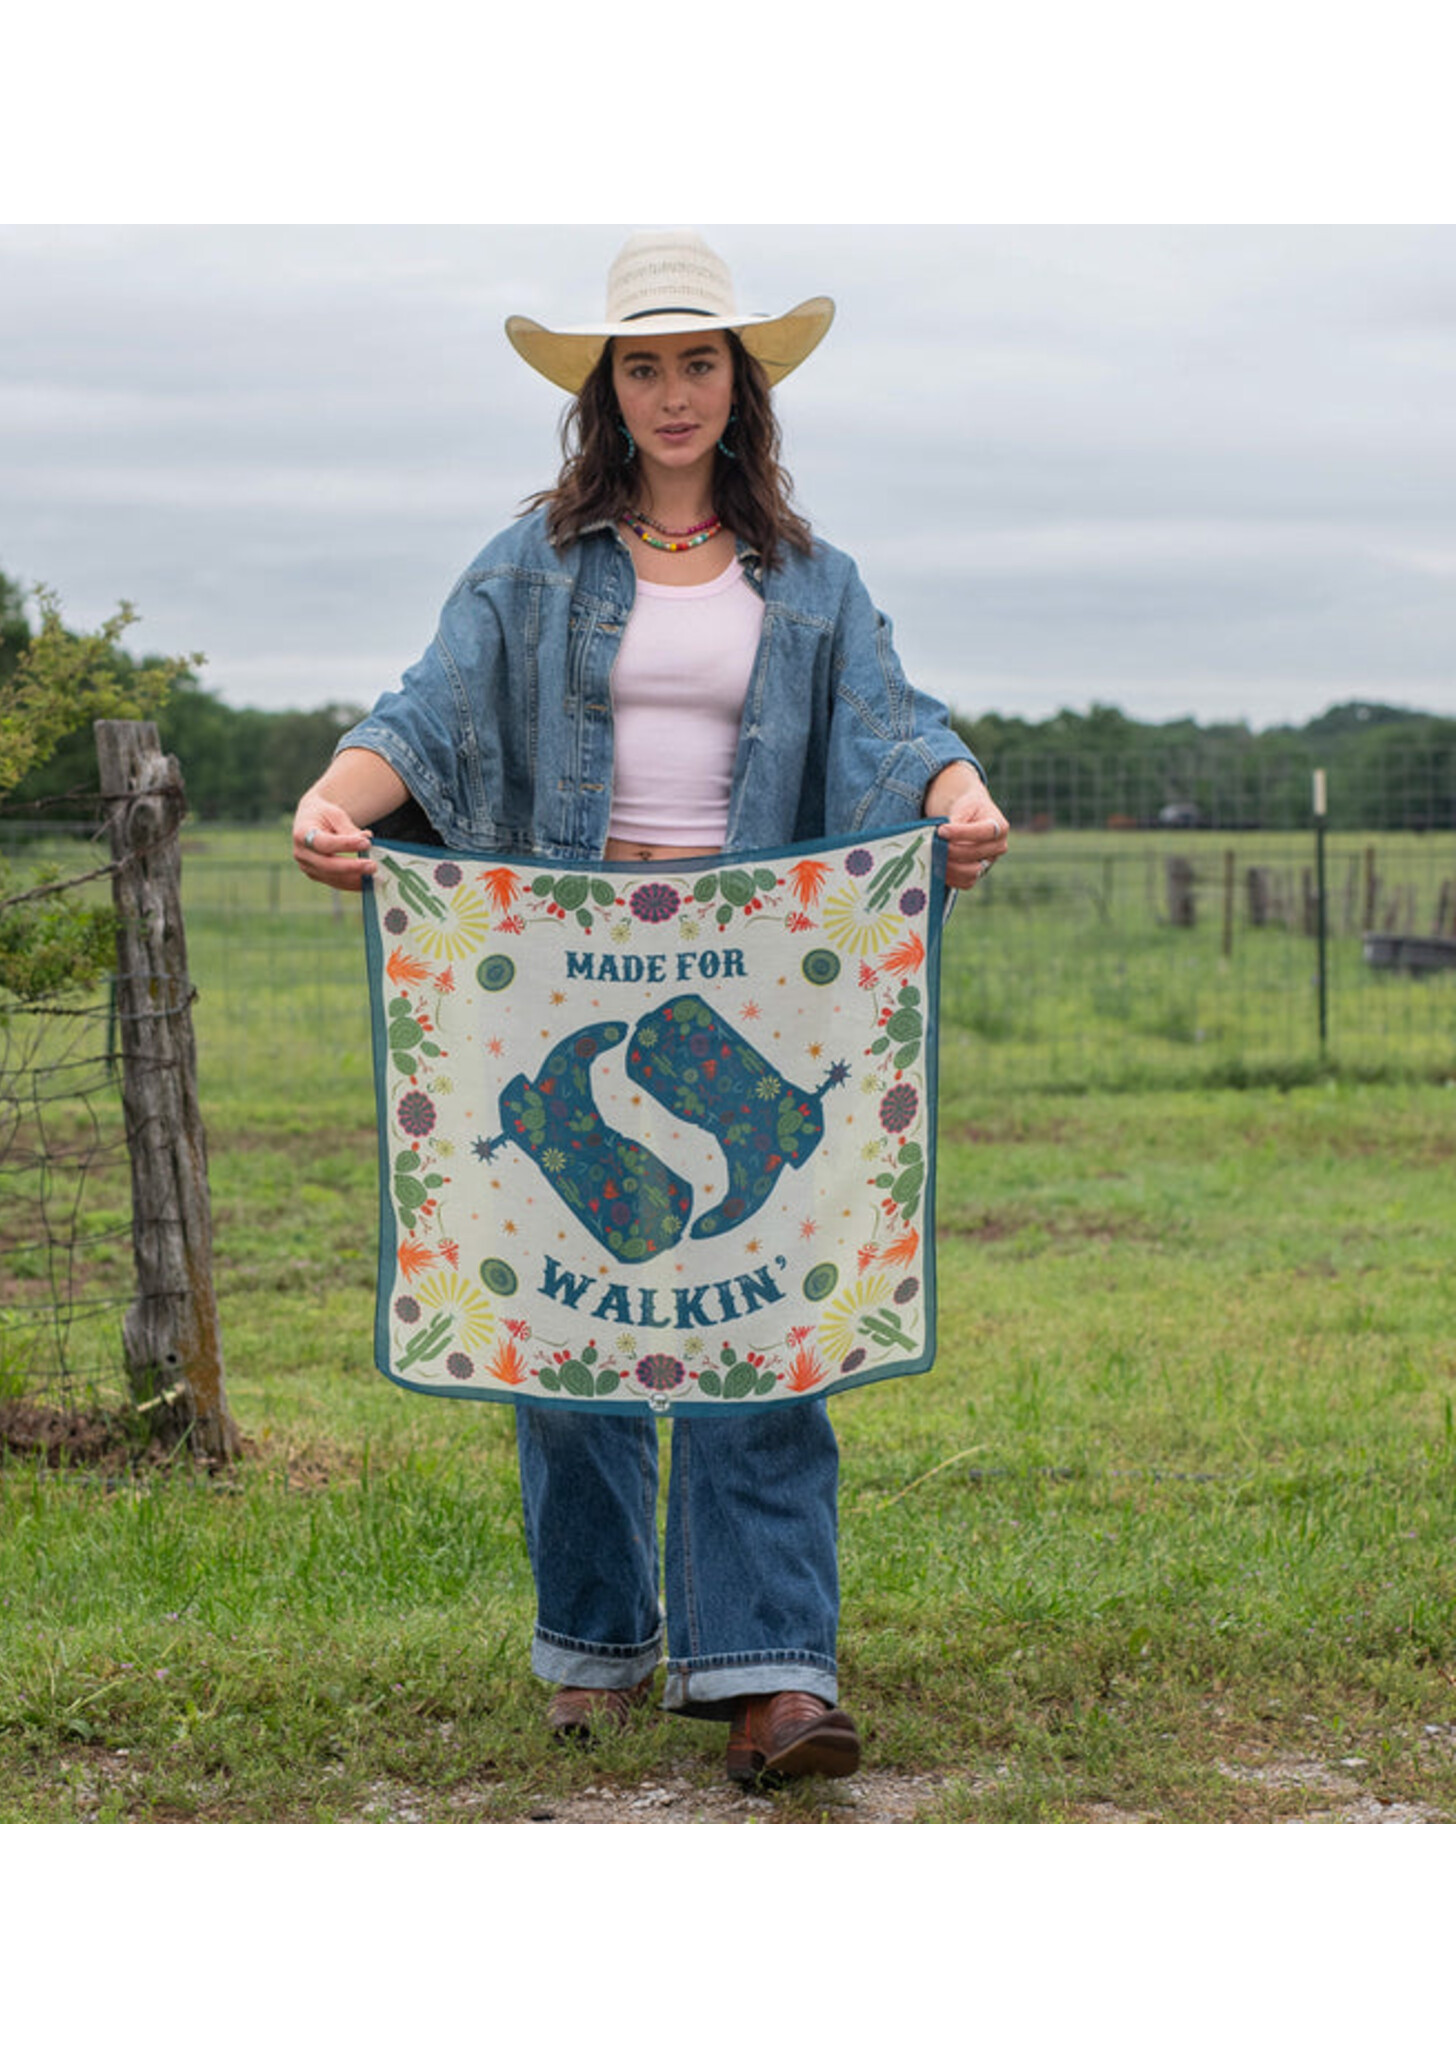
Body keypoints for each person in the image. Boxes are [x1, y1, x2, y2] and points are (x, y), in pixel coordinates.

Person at [291, 229, 1009, 1789]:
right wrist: (338, 805)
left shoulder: (816, 583)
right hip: (564, 966)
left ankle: (771, 1677)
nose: (672, 391)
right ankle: (600, 1646)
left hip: (752, 986)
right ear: (604, 392)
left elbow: (897, 730)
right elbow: (421, 710)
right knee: (577, 1304)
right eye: (643, 365)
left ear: (740, 386)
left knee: (763, 1305)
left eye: (699, 362)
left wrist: (958, 796)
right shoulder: (526, 567)